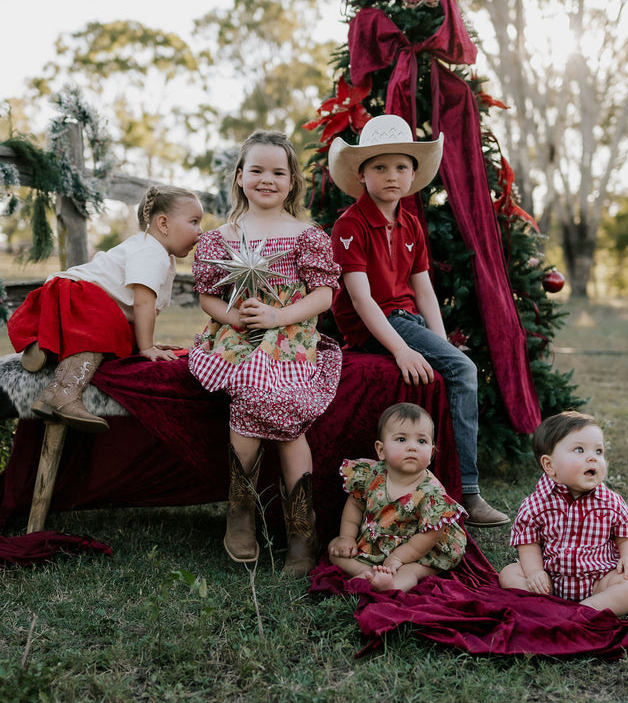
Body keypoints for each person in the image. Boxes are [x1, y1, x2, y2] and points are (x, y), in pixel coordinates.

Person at [328, 114, 509, 526]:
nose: (391, 176)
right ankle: (469, 491)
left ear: (413, 174)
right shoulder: (349, 225)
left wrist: (440, 345)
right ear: (361, 174)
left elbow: (424, 289)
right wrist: (401, 348)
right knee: (465, 370)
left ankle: (433, 484)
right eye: (379, 167)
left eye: (401, 167)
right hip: (377, 321)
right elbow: (360, 298)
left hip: (409, 319)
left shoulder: (410, 222)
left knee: (451, 365)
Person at [188, 130, 342, 576]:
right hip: (237, 338)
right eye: (256, 170)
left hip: (290, 337)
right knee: (253, 382)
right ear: (239, 177)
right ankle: (242, 512)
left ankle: (301, 528)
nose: (267, 179)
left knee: (281, 400)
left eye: (278, 172)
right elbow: (208, 297)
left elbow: (323, 296)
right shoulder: (222, 239)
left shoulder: (307, 235)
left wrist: (278, 317)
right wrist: (234, 318)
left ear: (292, 182)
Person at [8, 185, 204, 434]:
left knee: (118, 334)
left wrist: (147, 342)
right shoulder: (152, 252)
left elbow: (141, 309)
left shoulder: (152, 249)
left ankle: (45, 349)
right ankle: (64, 393)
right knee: (104, 331)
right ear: (163, 223)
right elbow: (143, 303)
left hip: (69, 295)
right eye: (194, 221)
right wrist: (147, 347)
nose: (200, 231)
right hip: (77, 295)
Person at [499, 410, 628, 615]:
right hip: (551, 580)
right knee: (509, 574)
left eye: (599, 451)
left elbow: (626, 531)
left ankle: (587, 609)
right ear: (549, 465)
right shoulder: (536, 504)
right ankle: (548, 603)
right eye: (579, 450)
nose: (592, 458)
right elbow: (528, 542)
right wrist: (535, 573)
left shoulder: (611, 502)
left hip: (599, 580)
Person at [328, 401, 467, 591]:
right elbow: (355, 507)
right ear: (381, 450)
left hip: (419, 549)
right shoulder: (370, 474)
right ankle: (370, 572)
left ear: (432, 452)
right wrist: (346, 537)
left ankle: (392, 584)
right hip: (377, 544)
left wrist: (398, 558)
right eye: (401, 439)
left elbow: (429, 536)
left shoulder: (432, 493)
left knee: (410, 572)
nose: (412, 447)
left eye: (421, 441)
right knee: (335, 550)